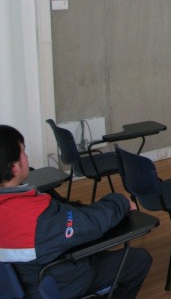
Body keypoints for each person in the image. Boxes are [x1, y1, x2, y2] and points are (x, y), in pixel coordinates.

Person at [0, 125, 152, 298]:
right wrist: (121, 202)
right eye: (23, 153)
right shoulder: (36, 218)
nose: (27, 157)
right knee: (138, 261)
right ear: (14, 167)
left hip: (18, 284)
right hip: (55, 285)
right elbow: (90, 223)